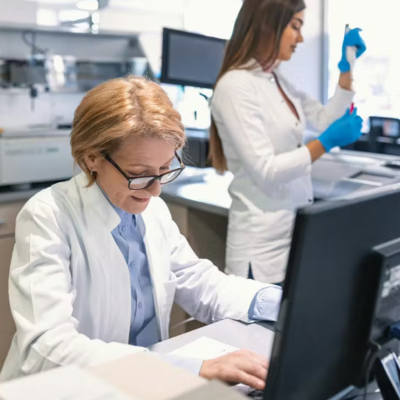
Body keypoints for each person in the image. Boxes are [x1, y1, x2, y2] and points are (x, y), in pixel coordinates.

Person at [0, 76, 282, 391]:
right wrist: (193, 370)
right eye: (139, 175)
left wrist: (282, 304)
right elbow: (48, 347)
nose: (156, 189)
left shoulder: (151, 210)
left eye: (165, 169)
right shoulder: (48, 216)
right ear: (91, 157)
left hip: (146, 385)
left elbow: (200, 282)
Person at [209, 0, 366, 284]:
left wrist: (347, 67)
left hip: (289, 241)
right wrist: (326, 143)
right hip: (259, 251)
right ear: (268, 24)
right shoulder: (234, 86)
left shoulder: (275, 79)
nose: (301, 38)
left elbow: (323, 118)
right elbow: (267, 172)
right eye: (295, 26)